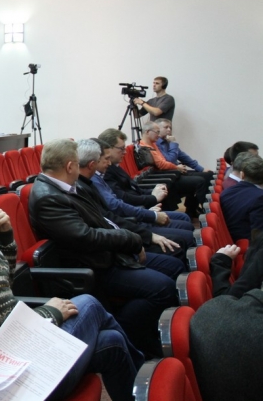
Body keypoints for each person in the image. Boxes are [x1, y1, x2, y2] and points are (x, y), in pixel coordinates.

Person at [0, 167, 142, 401]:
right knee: (89, 302)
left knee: (112, 342)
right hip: (8, 367)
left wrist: (4, 238)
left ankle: (141, 392)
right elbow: (6, 327)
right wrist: (51, 312)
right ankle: (148, 383)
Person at [28, 138, 184, 357]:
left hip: (105, 255)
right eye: (77, 163)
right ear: (70, 166)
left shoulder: (67, 187)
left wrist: (131, 239)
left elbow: (103, 220)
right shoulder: (48, 197)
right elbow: (86, 237)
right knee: (163, 288)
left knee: (172, 269)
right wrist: (131, 239)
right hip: (92, 267)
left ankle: (144, 334)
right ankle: (128, 334)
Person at [76, 139, 187, 260]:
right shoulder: (90, 182)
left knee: (183, 225)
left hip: (129, 224)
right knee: (179, 244)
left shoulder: (96, 177)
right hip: (125, 233)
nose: (109, 162)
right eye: (106, 158)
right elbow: (114, 210)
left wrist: (148, 206)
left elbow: (130, 191)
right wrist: (149, 214)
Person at [139, 121, 208, 215]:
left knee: (205, 176)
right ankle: (206, 212)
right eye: (157, 132)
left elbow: (167, 160)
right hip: (163, 176)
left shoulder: (153, 144)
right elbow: (162, 164)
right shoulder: (145, 146)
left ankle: (196, 211)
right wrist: (176, 167)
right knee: (200, 181)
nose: (158, 135)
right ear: (147, 132)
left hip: (169, 173)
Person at [220, 154, 263, 242]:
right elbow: (259, 234)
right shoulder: (259, 198)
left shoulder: (227, 192)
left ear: (242, 175)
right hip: (248, 244)